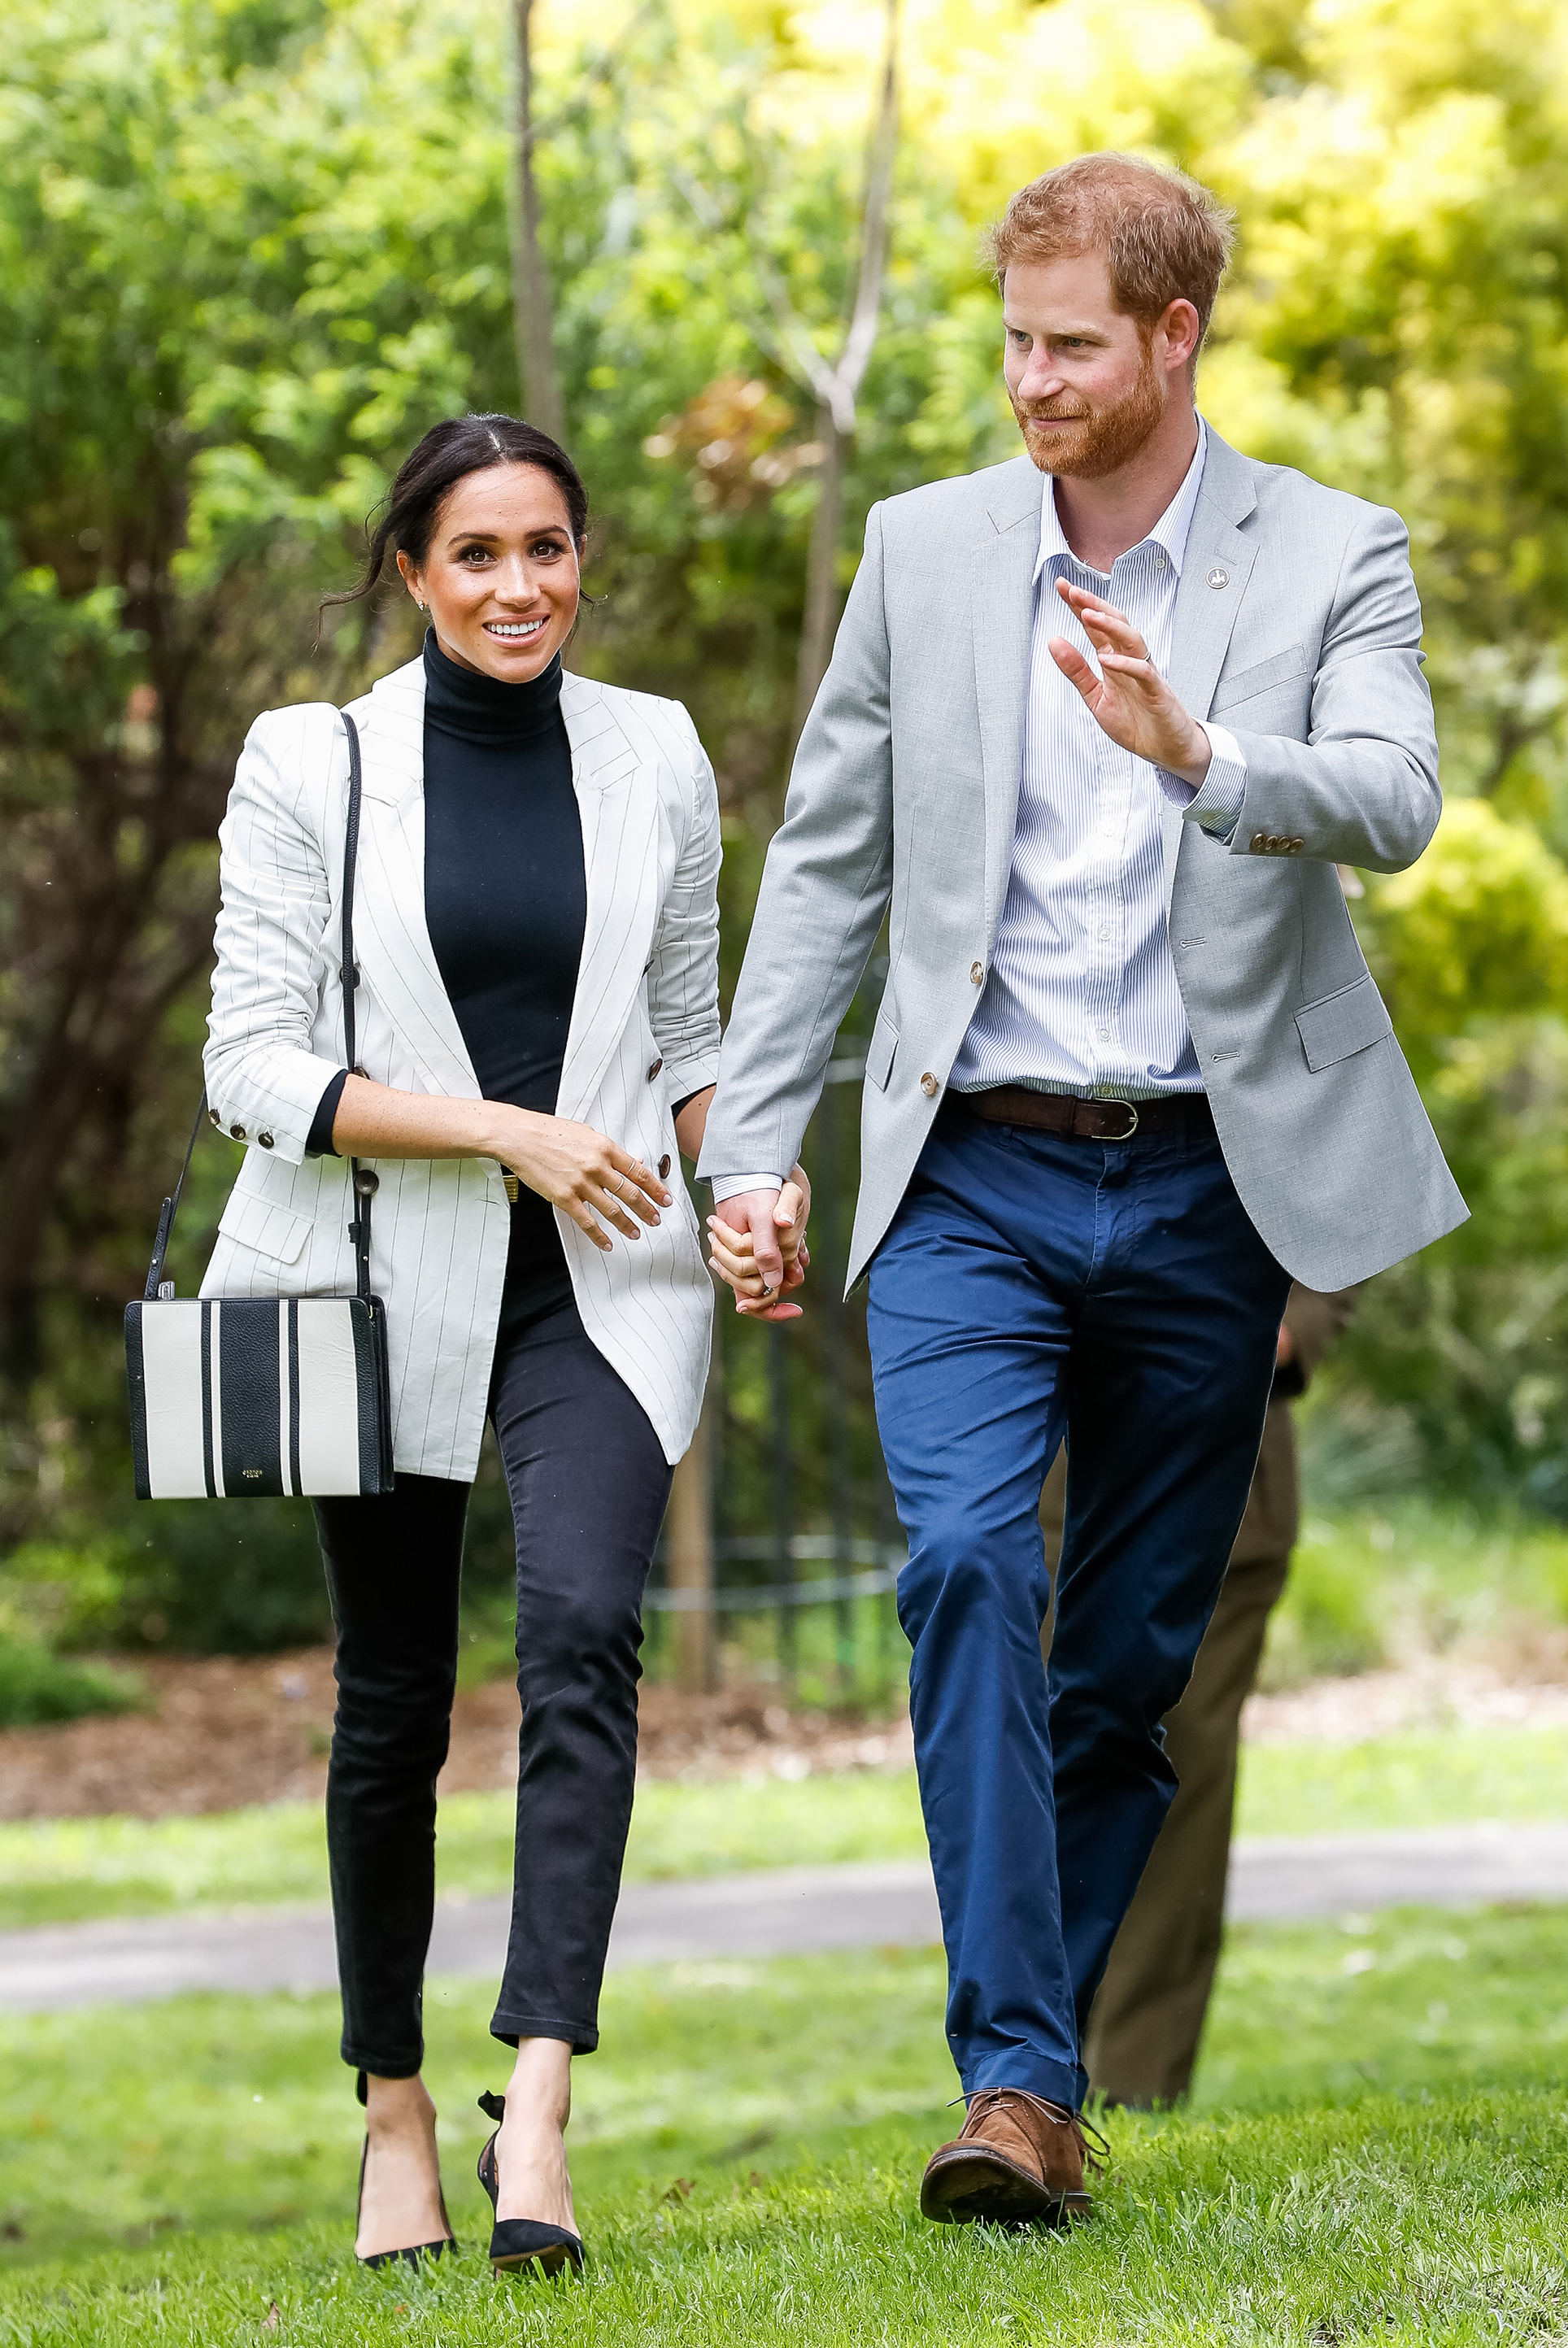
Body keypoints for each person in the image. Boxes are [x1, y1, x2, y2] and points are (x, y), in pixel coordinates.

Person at [703, 151, 1466, 2228]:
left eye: (1065, 344)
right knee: (961, 1566)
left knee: (1125, 1661)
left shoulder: (1329, 551)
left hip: (1214, 1181)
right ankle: (1016, 2084)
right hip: (969, 1169)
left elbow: (1390, 797)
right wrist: (755, 1138)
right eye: (1009, 340)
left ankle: (1024, 2090)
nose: (1027, 379)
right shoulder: (923, 550)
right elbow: (834, 866)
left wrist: (1199, 747)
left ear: (1170, 337)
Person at [200, 412, 807, 2276]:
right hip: (379, 1281)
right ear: (411, 572)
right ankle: (392, 2109)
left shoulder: (655, 752)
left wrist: (749, 1182)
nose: (518, 585)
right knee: (389, 1706)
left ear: (579, 557)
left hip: (600, 1286)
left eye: (545, 547)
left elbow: (695, 1035)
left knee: (577, 1645)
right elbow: (252, 1065)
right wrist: (506, 1129)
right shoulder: (318, 762)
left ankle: (535, 2098)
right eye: (475, 554)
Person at [1073, 1283, 1355, 2108]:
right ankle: (1022, 2079)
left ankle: (1132, 2086)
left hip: (1224, 1460)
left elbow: (1358, 1173)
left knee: (1177, 1774)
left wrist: (1287, 1327)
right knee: (1038, 1763)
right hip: (1047, 1468)